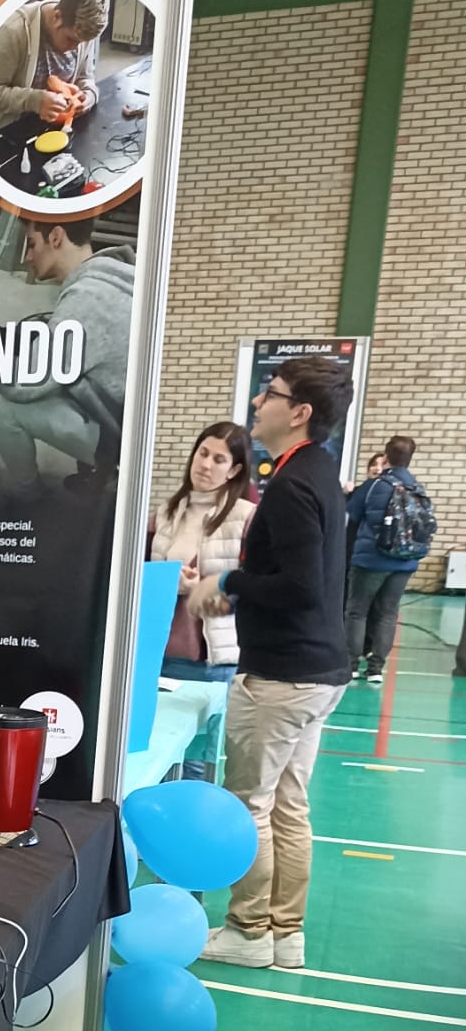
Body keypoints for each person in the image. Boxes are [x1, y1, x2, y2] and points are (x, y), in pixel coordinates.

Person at [187, 356, 353, 970]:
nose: (258, 403)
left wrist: (229, 581)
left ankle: (249, 930)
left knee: (251, 805)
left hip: (283, 676)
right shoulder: (318, 472)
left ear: (300, 412)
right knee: (288, 805)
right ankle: (286, 932)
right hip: (318, 672)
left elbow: (301, 587)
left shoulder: (291, 485)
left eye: (271, 393)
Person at [0, 217, 134, 489]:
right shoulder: (111, 273)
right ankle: (97, 474)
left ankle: (27, 495)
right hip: (124, 413)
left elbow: (21, 383)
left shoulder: (88, 298)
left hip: (123, 441)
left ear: (56, 237)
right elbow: (46, 339)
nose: (27, 257)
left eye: (32, 244)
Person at [149, 421, 256, 684]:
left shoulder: (246, 518)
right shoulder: (163, 514)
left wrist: (202, 588)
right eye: (203, 453)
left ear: (234, 470)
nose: (206, 465)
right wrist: (167, 582)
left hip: (212, 661)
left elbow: (257, 589)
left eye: (219, 460)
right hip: (155, 651)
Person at [0, 0, 112, 138]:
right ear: (57, 17)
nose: (75, 48)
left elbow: (85, 77)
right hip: (7, 133)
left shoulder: (82, 31)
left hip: (55, 128)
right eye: (70, 39)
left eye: (82, 42)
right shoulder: (13, 31)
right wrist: (35, 101)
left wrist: (89, 95)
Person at [345, 435, 425, 686]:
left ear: (386, 456)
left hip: (371, 559)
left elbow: (353, 512)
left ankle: (351, 665)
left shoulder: (374, 486)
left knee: (357, 611)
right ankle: (376, 668)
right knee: (388, 614)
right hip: (404, 561)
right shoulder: (417, 488)